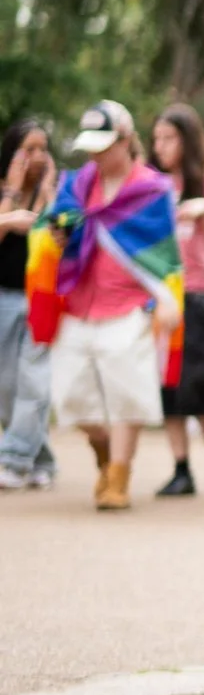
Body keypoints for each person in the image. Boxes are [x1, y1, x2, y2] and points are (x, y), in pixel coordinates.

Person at [43, 102, 183, 510]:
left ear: (126, 140)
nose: (96, 155)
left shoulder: (151, 190)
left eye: (104, 146)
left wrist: (168, 298)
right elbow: (54, 226)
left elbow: (165, 255)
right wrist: (56, 235)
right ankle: (103, 449)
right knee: (70, 395)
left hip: (128, 304)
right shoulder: (75, 185)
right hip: (80, 303)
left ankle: (119, 474)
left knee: (127, 392)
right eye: (91, 147)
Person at [149, 104, 204, 496]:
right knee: (166, 386)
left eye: (169, 137)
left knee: (193, 383)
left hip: (198, 295)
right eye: (157, 139)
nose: (162, 145)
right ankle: (181, 468)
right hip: (158, 298)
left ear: (187, 140)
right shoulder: (150, 187)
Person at [0, 117, 60, 491]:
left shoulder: (55, 191)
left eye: (42, 149)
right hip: (4, 297)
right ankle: (43, 460)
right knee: (6, 385)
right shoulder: (5, 190)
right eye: (29, 149)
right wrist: (11, 195)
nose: (37, 156)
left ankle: (14, 458)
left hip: (41, 296)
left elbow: (62, 232)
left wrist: (48, 193)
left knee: (34, 382)